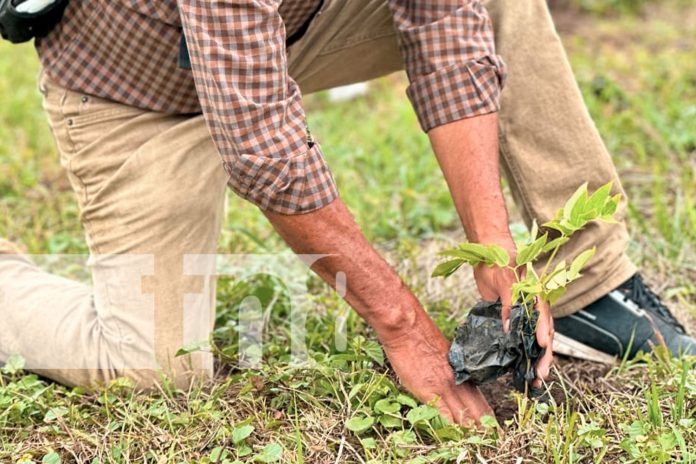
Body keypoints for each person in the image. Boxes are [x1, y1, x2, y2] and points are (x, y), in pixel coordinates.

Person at [0, 0, 693, 425]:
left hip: (299, 25)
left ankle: (589, 290)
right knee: (151, 368)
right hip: (139, 94)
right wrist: (401, 325)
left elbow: (446, 28)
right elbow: (263, 147)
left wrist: (495, 253)